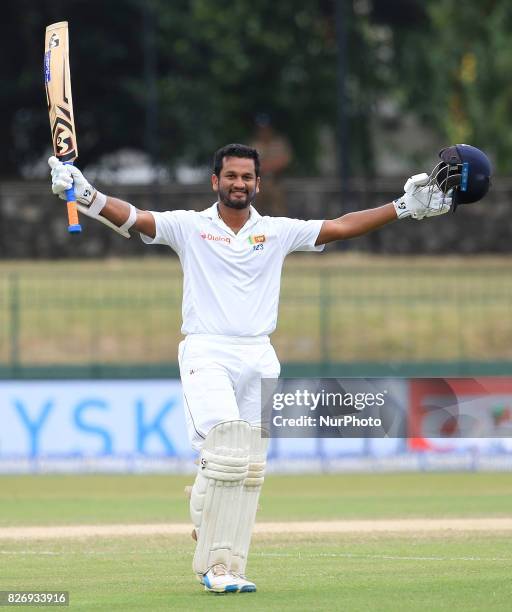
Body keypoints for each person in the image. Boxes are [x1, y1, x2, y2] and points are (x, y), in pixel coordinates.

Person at [48, 143, 455, 594]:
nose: (238, 183)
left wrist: (402, 208)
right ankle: (215, 569)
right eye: (230, 176)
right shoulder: (190, 226)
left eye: (246, 177)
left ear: (258, 184)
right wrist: (87, 196)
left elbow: (340, 227)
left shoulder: (277, 232)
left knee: (247, 471)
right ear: (215, 181)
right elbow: (136, 218)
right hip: (207, 351)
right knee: (226, 449)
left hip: (259, 354)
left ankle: (227, 553)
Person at [250, 113, 292, 216]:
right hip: (258, 185)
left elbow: (285, 160)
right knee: (256, 215)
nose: (264, 131)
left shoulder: (279, 142)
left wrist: (266, 166)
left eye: (266, 128)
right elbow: (250, 164)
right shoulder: (254, 144)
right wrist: (269, 165)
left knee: (279, 214)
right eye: (261, 128)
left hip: (276, 183)